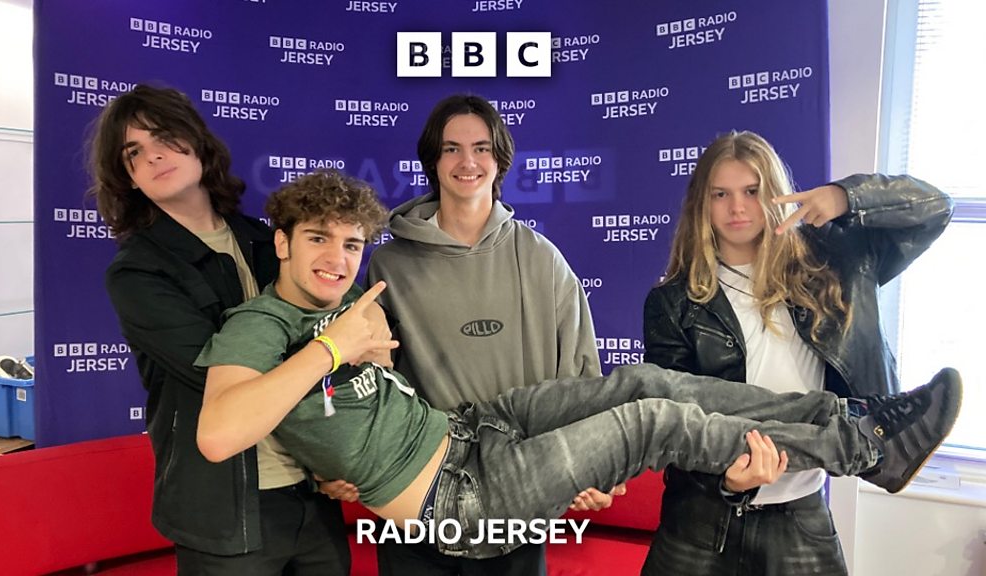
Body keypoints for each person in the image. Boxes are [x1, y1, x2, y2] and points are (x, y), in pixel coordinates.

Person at [194, 169, 962, 563]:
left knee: (639, 383)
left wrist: (345, 354)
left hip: (473, 432)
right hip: (459, 500)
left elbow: (334, 413)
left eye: (351, 243)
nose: (337, 258)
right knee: (650, 420)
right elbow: (220, 433)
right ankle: (862, 448)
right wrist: (335, 348)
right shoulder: (260, 326)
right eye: (318, 239)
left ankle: (853, 420)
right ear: (282, 243)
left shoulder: (340, 312)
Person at [640, 130, 955, 575]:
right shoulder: (673, 302)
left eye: (752, 191)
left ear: (775, 194)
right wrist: (726, 479)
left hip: (799, 515)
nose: (737, 207)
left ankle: (866, 438)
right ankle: (865, 441)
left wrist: (848, 196)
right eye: (720, 194)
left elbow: (936, 208)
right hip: (701, 516)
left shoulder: (833, 262)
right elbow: (674, 419)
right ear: (701, 205)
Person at [92, 84, 351, 575]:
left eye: (163, 137)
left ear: (197, 141)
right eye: (134, 153)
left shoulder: (266, 240)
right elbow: (224, 377)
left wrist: (338, 458)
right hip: (224, 511)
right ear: (128, 177)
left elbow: (328, 338)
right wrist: (332, 349)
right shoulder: (137, 273)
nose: (153, 156)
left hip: (313, 493)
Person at [365, 93, 608, 575]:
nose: (467, 162)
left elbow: (581, 376)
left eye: (481, 148)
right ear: (433, 161)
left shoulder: (542, 259)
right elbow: (373, 381)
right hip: (418, 493)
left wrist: (588, 461)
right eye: (451, 149)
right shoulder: (389, 265)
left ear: (499, 160)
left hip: (518, 491)